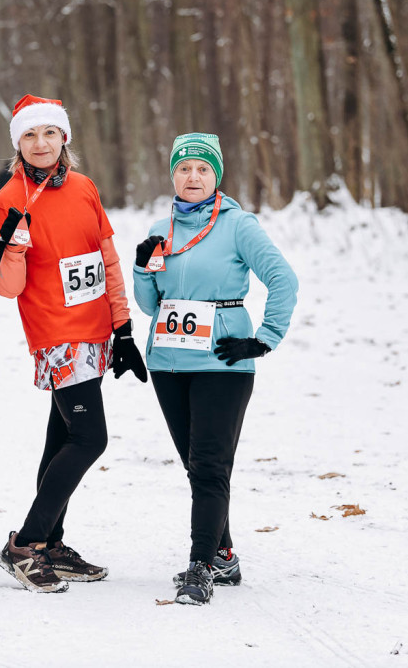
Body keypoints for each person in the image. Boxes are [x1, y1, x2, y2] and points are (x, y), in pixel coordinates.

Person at [0, 94, 147, 593]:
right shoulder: (8, 199)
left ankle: (51, 542)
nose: (40, 143)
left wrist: (122, 328)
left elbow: (108, 260)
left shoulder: (83, 187)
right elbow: (7, 288)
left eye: (49, 133)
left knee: (61, 439)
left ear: (64, 138)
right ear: (18, 144)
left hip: (97, 330)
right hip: (56, 333)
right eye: (30, 136)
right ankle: (25, 545)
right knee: (89, 438)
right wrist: (9, 248)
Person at [132, 132, 298, 605]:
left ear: (216, 175)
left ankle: (199, 566)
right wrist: (144, 270)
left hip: (223, 360)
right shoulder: (159, 227)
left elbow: (284, 279)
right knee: (197, 465)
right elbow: (150, 304)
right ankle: (223, 554)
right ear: (173, 175)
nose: (193, 176)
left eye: (203, 169)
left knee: (209, 465)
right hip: (167, 359)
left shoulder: (238, 224)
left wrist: (264, 339)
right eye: (184, 168)